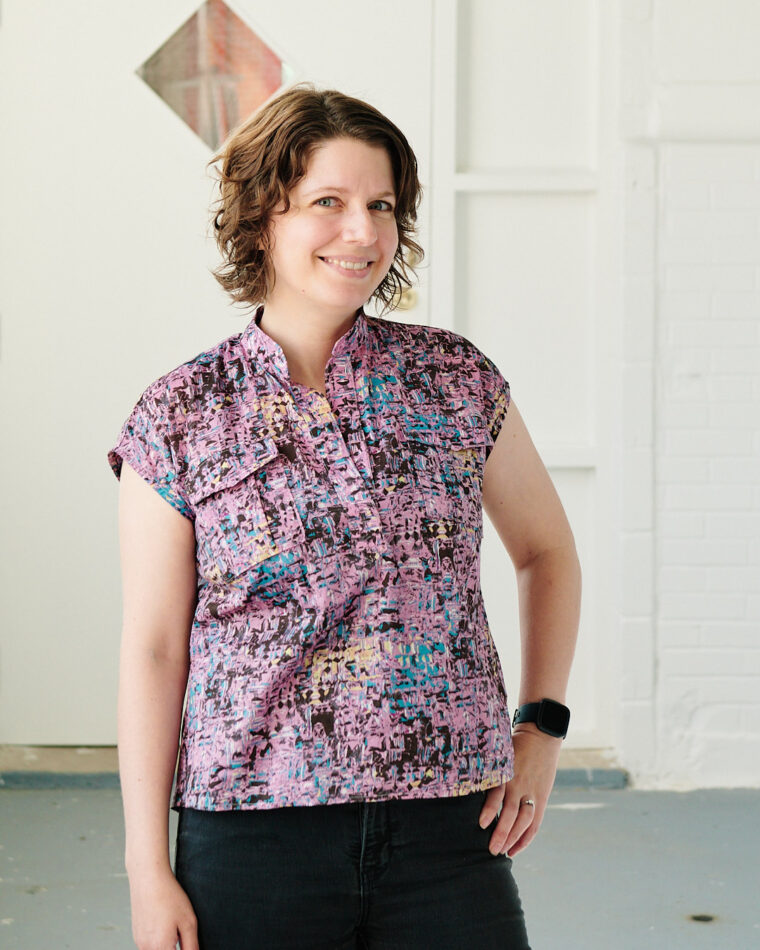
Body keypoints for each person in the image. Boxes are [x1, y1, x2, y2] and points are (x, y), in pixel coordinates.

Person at [108, 83, 581, 950]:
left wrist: (541, 726)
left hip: (448, 828)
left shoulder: (454, 381)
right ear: (260, 220)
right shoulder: (179, 415)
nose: (362, 231)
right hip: (251, 831)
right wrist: (148, 864)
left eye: (381, 205)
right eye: (328, 202)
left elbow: (546, 551)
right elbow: (154, 648)